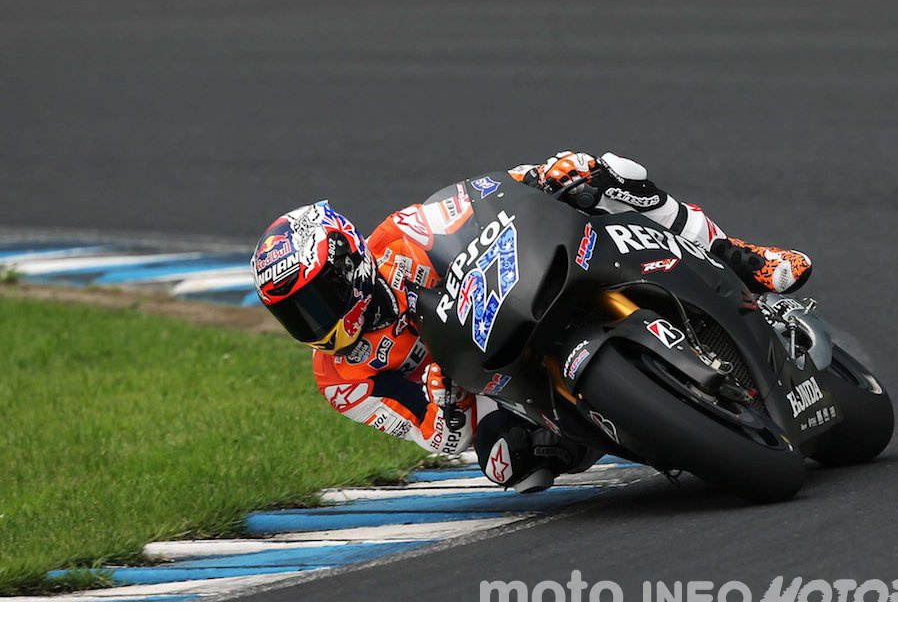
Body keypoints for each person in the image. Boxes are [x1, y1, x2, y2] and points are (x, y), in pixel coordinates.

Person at [251, 152, 812, 492]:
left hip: (528, 287)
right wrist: (446, 401)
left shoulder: (403, 235)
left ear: (350, 265)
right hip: (491, 381)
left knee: (608, 173)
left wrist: (546, 174)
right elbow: (443, 439)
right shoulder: (340, 382)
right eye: (295, 316)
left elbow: (489, 195)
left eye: (317, 300)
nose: (315, 324)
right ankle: (639, 426)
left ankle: (740, 257)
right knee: (508, 467)